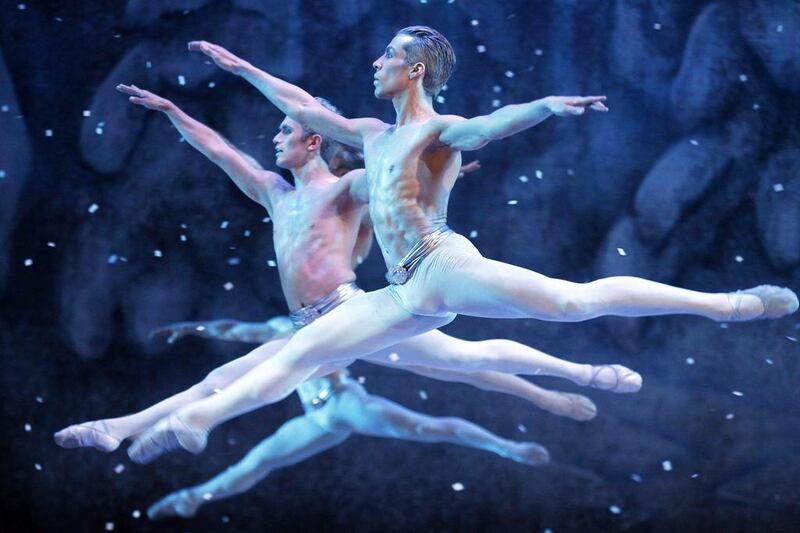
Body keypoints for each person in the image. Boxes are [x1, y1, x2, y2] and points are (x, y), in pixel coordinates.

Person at [96, 26, 799, 463]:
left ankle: (727, 303)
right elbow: (306, 108)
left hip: (441, 261)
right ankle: (197, 418)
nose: (377, 63)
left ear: (416, 71)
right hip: (400, 289)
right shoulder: (371, 137)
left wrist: (547, 108)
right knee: (303, 354)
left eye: (389, 57)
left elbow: (490, 126)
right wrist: (238, 67)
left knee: (568, 302)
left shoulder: (439, 130)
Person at [55, 86, 640, 470]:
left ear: (313, 140)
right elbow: (221, 153)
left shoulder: (345, 188)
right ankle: (117, 427)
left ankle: (580, 372)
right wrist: (174, 115)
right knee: (460, 360)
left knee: (466, 361)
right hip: (318, 323)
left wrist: (444, 164)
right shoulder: (275, 195)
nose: (274, 140)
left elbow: (396, 177)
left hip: (351, 314)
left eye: (285, 132)